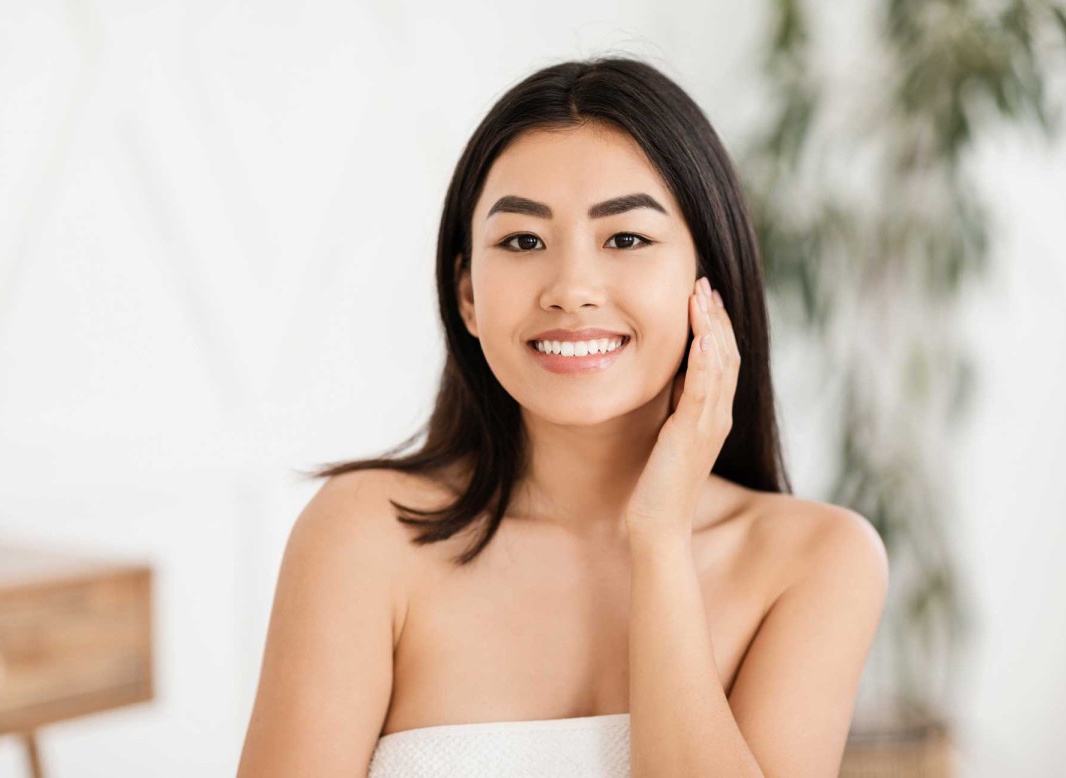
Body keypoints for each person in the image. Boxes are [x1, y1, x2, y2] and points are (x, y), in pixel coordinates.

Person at [236, 55, 888, 778]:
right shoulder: (362, 537)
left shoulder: (817, 561)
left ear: (709, 278)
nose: (572, 289)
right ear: (468, 297)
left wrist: (660, 536)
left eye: (626, 239)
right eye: (522, 241)